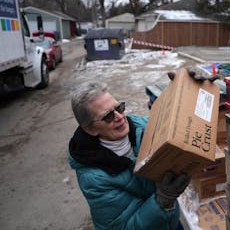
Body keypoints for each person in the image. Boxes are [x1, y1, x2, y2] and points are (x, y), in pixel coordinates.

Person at [68, 69, 219, 230]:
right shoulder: (94, 179)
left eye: (119, 107)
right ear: (91, 129)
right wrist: (163, 200)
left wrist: (190, 90)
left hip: (171, 221)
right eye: (108, 117)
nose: (120, 117)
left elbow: (179, 122)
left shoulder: (139, 126)